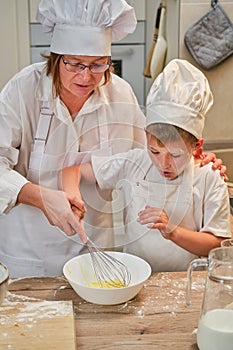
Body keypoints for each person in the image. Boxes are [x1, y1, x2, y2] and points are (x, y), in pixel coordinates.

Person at [0, 0, 226, 278]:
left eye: (98, 65)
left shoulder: (121, 95)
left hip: (96, 249)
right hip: (29, 253)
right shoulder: (22, 91)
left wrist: (195, 159)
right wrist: (40, 197)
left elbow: (153, 153)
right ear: (56, 56)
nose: (86, 77)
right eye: (75, 64)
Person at [61, 59, 231, 272]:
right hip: (136, 278)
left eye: (176, 154)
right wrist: (72, 196)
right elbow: (72, 171)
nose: (163, 164)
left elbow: (217, 244)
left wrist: (173, 231)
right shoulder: (135, 162)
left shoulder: (209, 176)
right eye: (155, 151)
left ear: (197, 147)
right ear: (146, 138)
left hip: (187, 282)